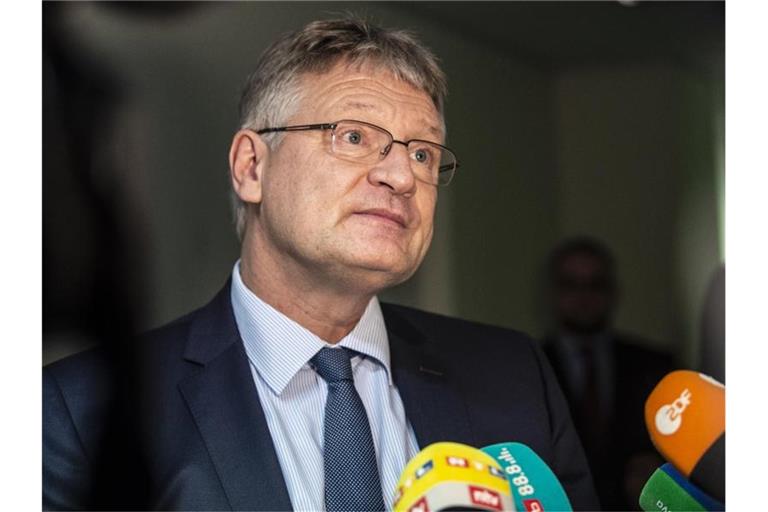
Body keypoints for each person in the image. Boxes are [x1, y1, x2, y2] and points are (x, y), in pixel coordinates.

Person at [43, 18, 599, 511]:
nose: (401, 177)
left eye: (423, 153)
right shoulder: (75, 412)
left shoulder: (514, 377)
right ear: (251, 167)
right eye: (354, 137)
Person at [542, 236, 676, 510]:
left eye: (595, 284)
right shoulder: (531, 365)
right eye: (571, 284)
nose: (584, 296)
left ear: (613, 291)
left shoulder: (655, 366)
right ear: (554, 292)